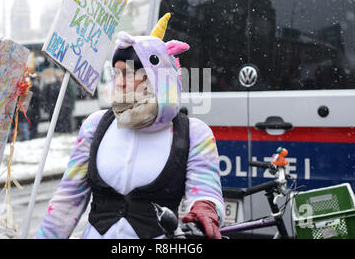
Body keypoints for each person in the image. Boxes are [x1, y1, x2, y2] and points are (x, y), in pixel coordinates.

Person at [36, 13, 224, 239]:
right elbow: (67, 200)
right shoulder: (95, 126)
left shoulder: (194, 132)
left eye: (128, 72)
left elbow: (206, 190)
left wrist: (205, 208)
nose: (120, 81)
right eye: (116, 72)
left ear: (155, 76)